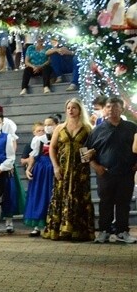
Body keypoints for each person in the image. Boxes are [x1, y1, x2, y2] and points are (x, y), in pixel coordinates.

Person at [43, 99, 96, 241]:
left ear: (80, 110)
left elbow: (93, 147)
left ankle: (79, 230)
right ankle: (59, 229)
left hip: (80, 169)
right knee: (60, 195)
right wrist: (55, 166)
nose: (71, 110)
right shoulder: (60, 128)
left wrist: (91, 154)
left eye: (74, 108)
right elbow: (52, 148)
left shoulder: (88, 128)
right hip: (62, 168)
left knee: (79, 196)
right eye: (68, 108)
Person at [87, 96, 137, 244]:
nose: (112, 110)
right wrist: (96, 166)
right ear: (104, 109)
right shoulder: (97, 130)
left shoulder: (132, 127)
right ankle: (104, 231)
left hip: (126, 172)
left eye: (115, 107)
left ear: (121, 108)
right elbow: (84, 151)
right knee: (105, 202)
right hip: (105, 173)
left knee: (124, 202)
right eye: (108, 107)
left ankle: (122, 231)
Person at [22, 121, 53, 236]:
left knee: (48, 195)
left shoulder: (53, 139)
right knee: (37, 195)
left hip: (51, 169)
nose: (41, 132)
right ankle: (36, 225)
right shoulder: (36, 142)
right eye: (38, 130)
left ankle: (49, 225)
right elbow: (33, 156)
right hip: (40, 170)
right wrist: (28, 169)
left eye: (43, 130)